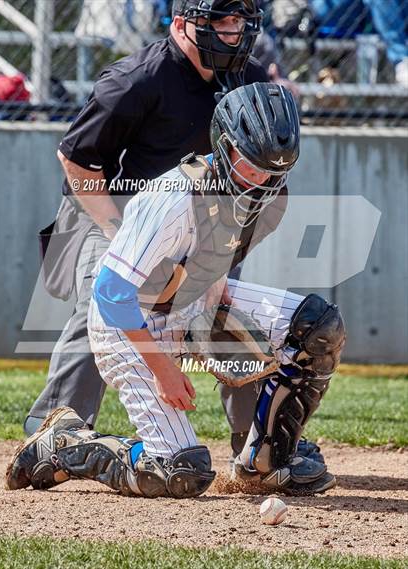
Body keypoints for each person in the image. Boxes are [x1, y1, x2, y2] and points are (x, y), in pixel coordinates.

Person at [7, 83, 345, 498]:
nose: (261, 181)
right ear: (223, 146)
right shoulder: (174, 197)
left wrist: (220, 318)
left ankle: (266, 461)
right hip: (128, 327)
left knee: (318, 327)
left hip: (189, 305)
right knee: (180, 472)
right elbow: (111, 293)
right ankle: (65, 444)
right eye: (251, 166)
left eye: (274, 171)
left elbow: (210, 255)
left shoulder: (262, 194)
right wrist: (164, 370)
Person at [26, 0, 321, 464]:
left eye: (239, 20)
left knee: (227, 319)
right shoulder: (138, 79)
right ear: (181, 24)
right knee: (105, 304)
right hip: (113, 213)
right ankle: (55, 432)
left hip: (202, 224)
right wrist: (122, 236)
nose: (233, 30)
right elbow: (78, 161)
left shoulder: (247, 77)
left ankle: (256, 443)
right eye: (220, 20)